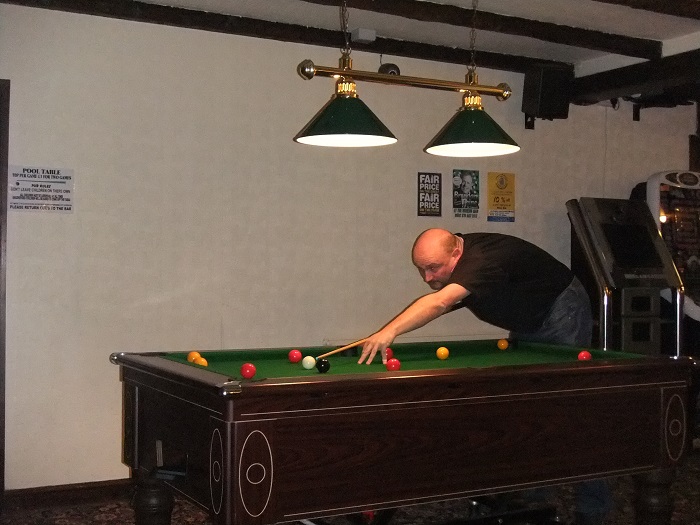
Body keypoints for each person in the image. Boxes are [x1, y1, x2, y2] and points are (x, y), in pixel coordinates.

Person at [358, 228, 611, 525]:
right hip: (530, 319)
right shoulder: (460, 251)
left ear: (456, 253)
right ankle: (532, 499)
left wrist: (389, 331)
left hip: (561, 310)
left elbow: (439, 302)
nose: (427, 277)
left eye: (433, 268)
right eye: (421, 269)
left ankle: (593, 509)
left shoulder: (481, 261)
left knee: (569, 410)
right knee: (530, 409)